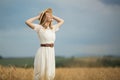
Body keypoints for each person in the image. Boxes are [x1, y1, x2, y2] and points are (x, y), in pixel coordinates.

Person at [25, 8, 64, 80]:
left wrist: (52, 16)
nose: (50, 16)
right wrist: (38, 16)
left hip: (51, 52)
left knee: (50, 74)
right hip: (43, 52)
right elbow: (27, 22)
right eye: (48, 15)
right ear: (44, 18)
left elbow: (62, 21)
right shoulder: (39, 28)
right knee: (41, 73)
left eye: (50, 15)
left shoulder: (53, 28)